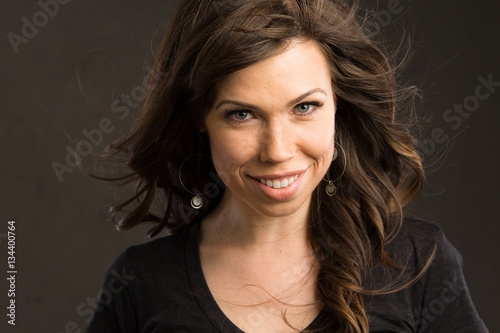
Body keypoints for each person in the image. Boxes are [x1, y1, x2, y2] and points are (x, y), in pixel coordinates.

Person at [85, 0, 488, 332]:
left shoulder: (418, 263)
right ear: (199, 119)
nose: (277, 151)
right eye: (242, 114)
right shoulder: (140, 283)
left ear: (338, 107)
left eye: (305, 107)